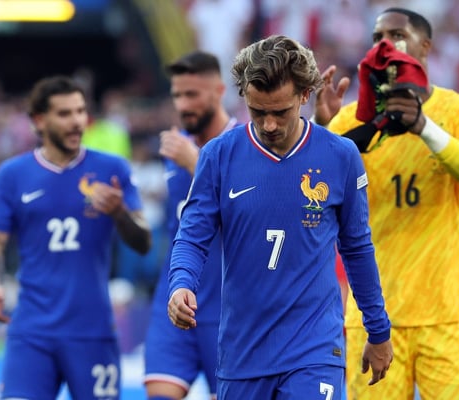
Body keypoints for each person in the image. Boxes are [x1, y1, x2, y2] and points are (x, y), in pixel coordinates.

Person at [167, 34, 393, 400]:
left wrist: (378, 329)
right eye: (258, 112)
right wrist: (181, 284)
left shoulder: (341, 155)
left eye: (280, 112)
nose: (269, 125)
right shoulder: (218, 155)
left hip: (314, 348)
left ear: (305, 96)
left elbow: (357, 248)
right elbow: (192, 236)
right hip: (243, 352)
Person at [314, 7, 459, 400]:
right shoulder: (350, 120)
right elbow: (311, 193)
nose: (384, 46)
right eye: (376, 37)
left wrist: (423, 127)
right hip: (374, 317)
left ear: (425, 46)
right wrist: (322, 129)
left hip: (445, 311)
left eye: (396, 35)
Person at [0, 75, 152, 399]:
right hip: (32, 330)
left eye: (80, 111)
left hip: (92, 330)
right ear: (38, 120)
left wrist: (119, 213)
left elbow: (144, 243)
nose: (76, 122)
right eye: (64, 113)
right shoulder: (13, 175)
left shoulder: (112, 169)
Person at [143, 50, 237, 400]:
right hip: (175, 296)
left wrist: (195, 163)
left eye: (192, 94)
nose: (183, 105)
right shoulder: (175, 147)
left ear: (219, 91)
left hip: (228, 307)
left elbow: (250, 210)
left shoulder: (241, 143)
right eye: (177, 95)